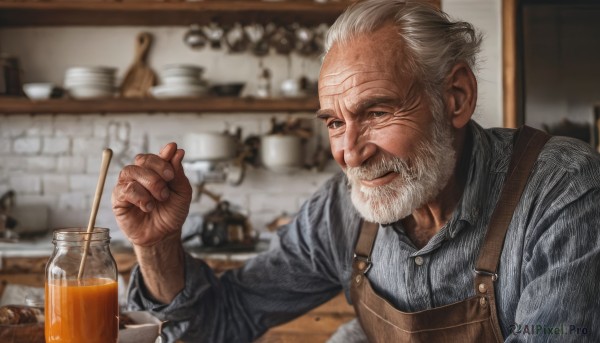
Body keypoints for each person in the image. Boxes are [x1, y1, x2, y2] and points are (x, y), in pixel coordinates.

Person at [112, 0, 600, 342]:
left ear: (455, 98)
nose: (350, 152)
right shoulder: (340, 213)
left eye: (377, 112)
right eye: (334, 122)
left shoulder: (563, 191)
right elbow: (221, 322)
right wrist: (157, 247)